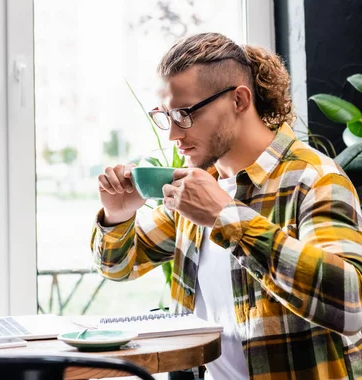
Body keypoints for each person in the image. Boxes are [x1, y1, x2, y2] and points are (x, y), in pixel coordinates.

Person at [91, 32, 362, 380]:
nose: (173, 133)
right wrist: (119, 213)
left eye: (184, 113)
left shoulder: (314, 178)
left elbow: (350, 304)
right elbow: (119, 267)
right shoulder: (196, 184)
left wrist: (225, 217)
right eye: (166, 115)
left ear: (239, 100)